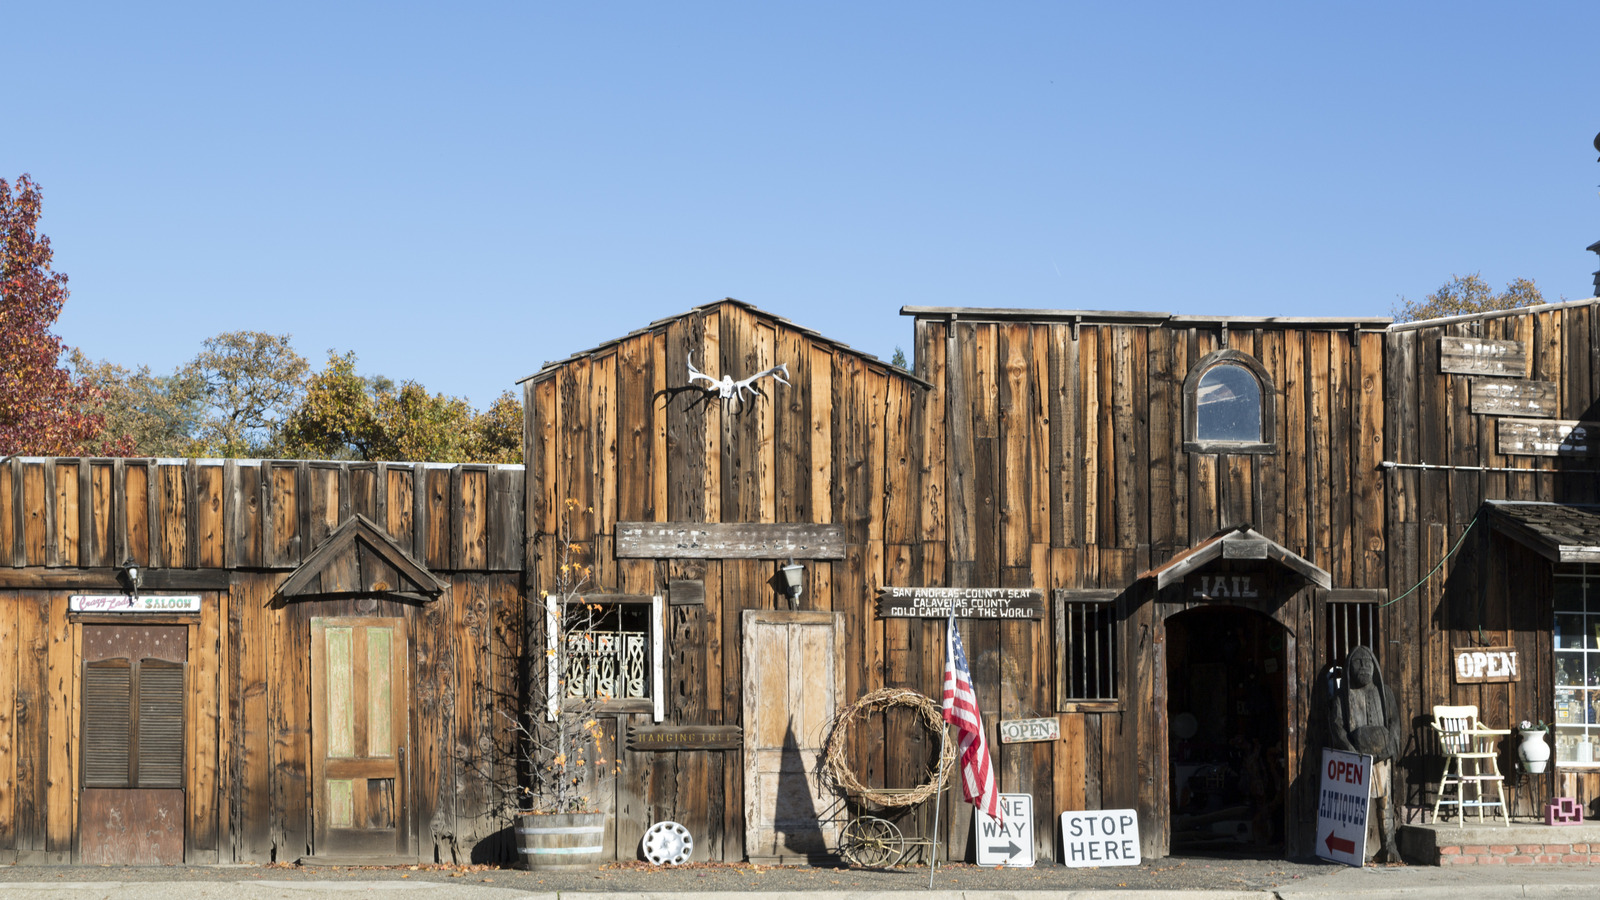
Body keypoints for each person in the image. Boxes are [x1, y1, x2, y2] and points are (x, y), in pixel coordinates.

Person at [1327, 645, 1401, 863]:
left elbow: (1394, 721)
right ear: (1349, 667)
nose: (1364, 667)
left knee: (1385, 801)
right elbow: (1337, 726)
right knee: (1359, 802)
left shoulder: (1384, 692)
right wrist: (1350, 751)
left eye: (1367, 662)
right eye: (1358, 662)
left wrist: (1390, 746)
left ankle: (1389, 845)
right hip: (1357, 761)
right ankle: (1359, 847)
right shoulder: (1343, 697)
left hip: (1382, 759)